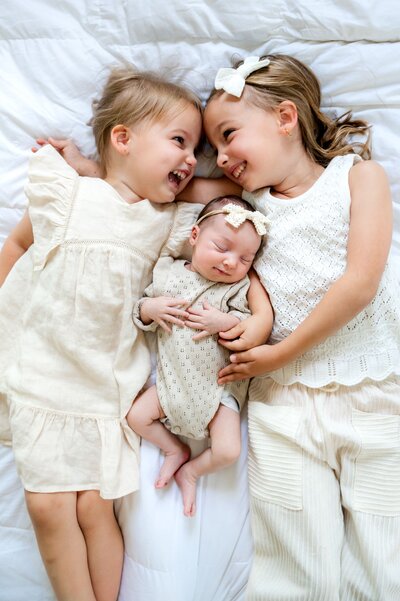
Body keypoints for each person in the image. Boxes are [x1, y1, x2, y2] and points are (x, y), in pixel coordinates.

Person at [197, 54, 400, 600]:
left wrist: (281, 353)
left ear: (285, 117)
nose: (220, 158)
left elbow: (361, 283)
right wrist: (90, 170)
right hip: (283, 403)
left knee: (385, 560)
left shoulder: (359, 177)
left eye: (229, 135)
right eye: (212, 149)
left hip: (375, 388)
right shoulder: (242, 207)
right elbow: (159, 189)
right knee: (292, 567)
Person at [0, 66, 203, 601]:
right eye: (180, 141)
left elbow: (223, 185)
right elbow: (20, 245)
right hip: (43, 371)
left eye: (195, 150)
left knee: (94, 506)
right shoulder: (65, 193)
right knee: (47, 506)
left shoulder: (165, 219)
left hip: (105, 385)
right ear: (123, 138)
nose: (190, 160)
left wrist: (97, 165)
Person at [127, 195, 272, 517]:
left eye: (245, 259)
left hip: (218, 390)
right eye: (222, 248)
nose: (232, 263)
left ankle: (191, 471)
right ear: (194, 237)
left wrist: (225, 322)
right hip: (172, 382)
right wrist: (151, 308)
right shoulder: (168, 272)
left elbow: (248, 326)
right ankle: (173, 449)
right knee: (136, 417)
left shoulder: (237, 288)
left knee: (228, 451)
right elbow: (141, 311)